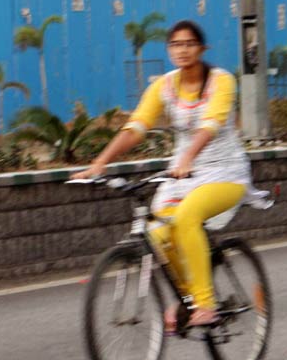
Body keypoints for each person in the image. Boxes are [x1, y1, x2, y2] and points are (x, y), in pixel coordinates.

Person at [72, 20, 267, 331]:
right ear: (168, 50)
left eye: (189, 44)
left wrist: (188, 156)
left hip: (225, 172)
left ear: (202, 49)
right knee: (157, 235)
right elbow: (137, 126)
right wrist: (100, 163)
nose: (182, 50)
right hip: (181, 175)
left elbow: (212, 123)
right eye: (176, 44)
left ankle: (205, 304)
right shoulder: (163, 85)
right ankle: (189, 296)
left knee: (186, 217)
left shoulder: (222, 80)